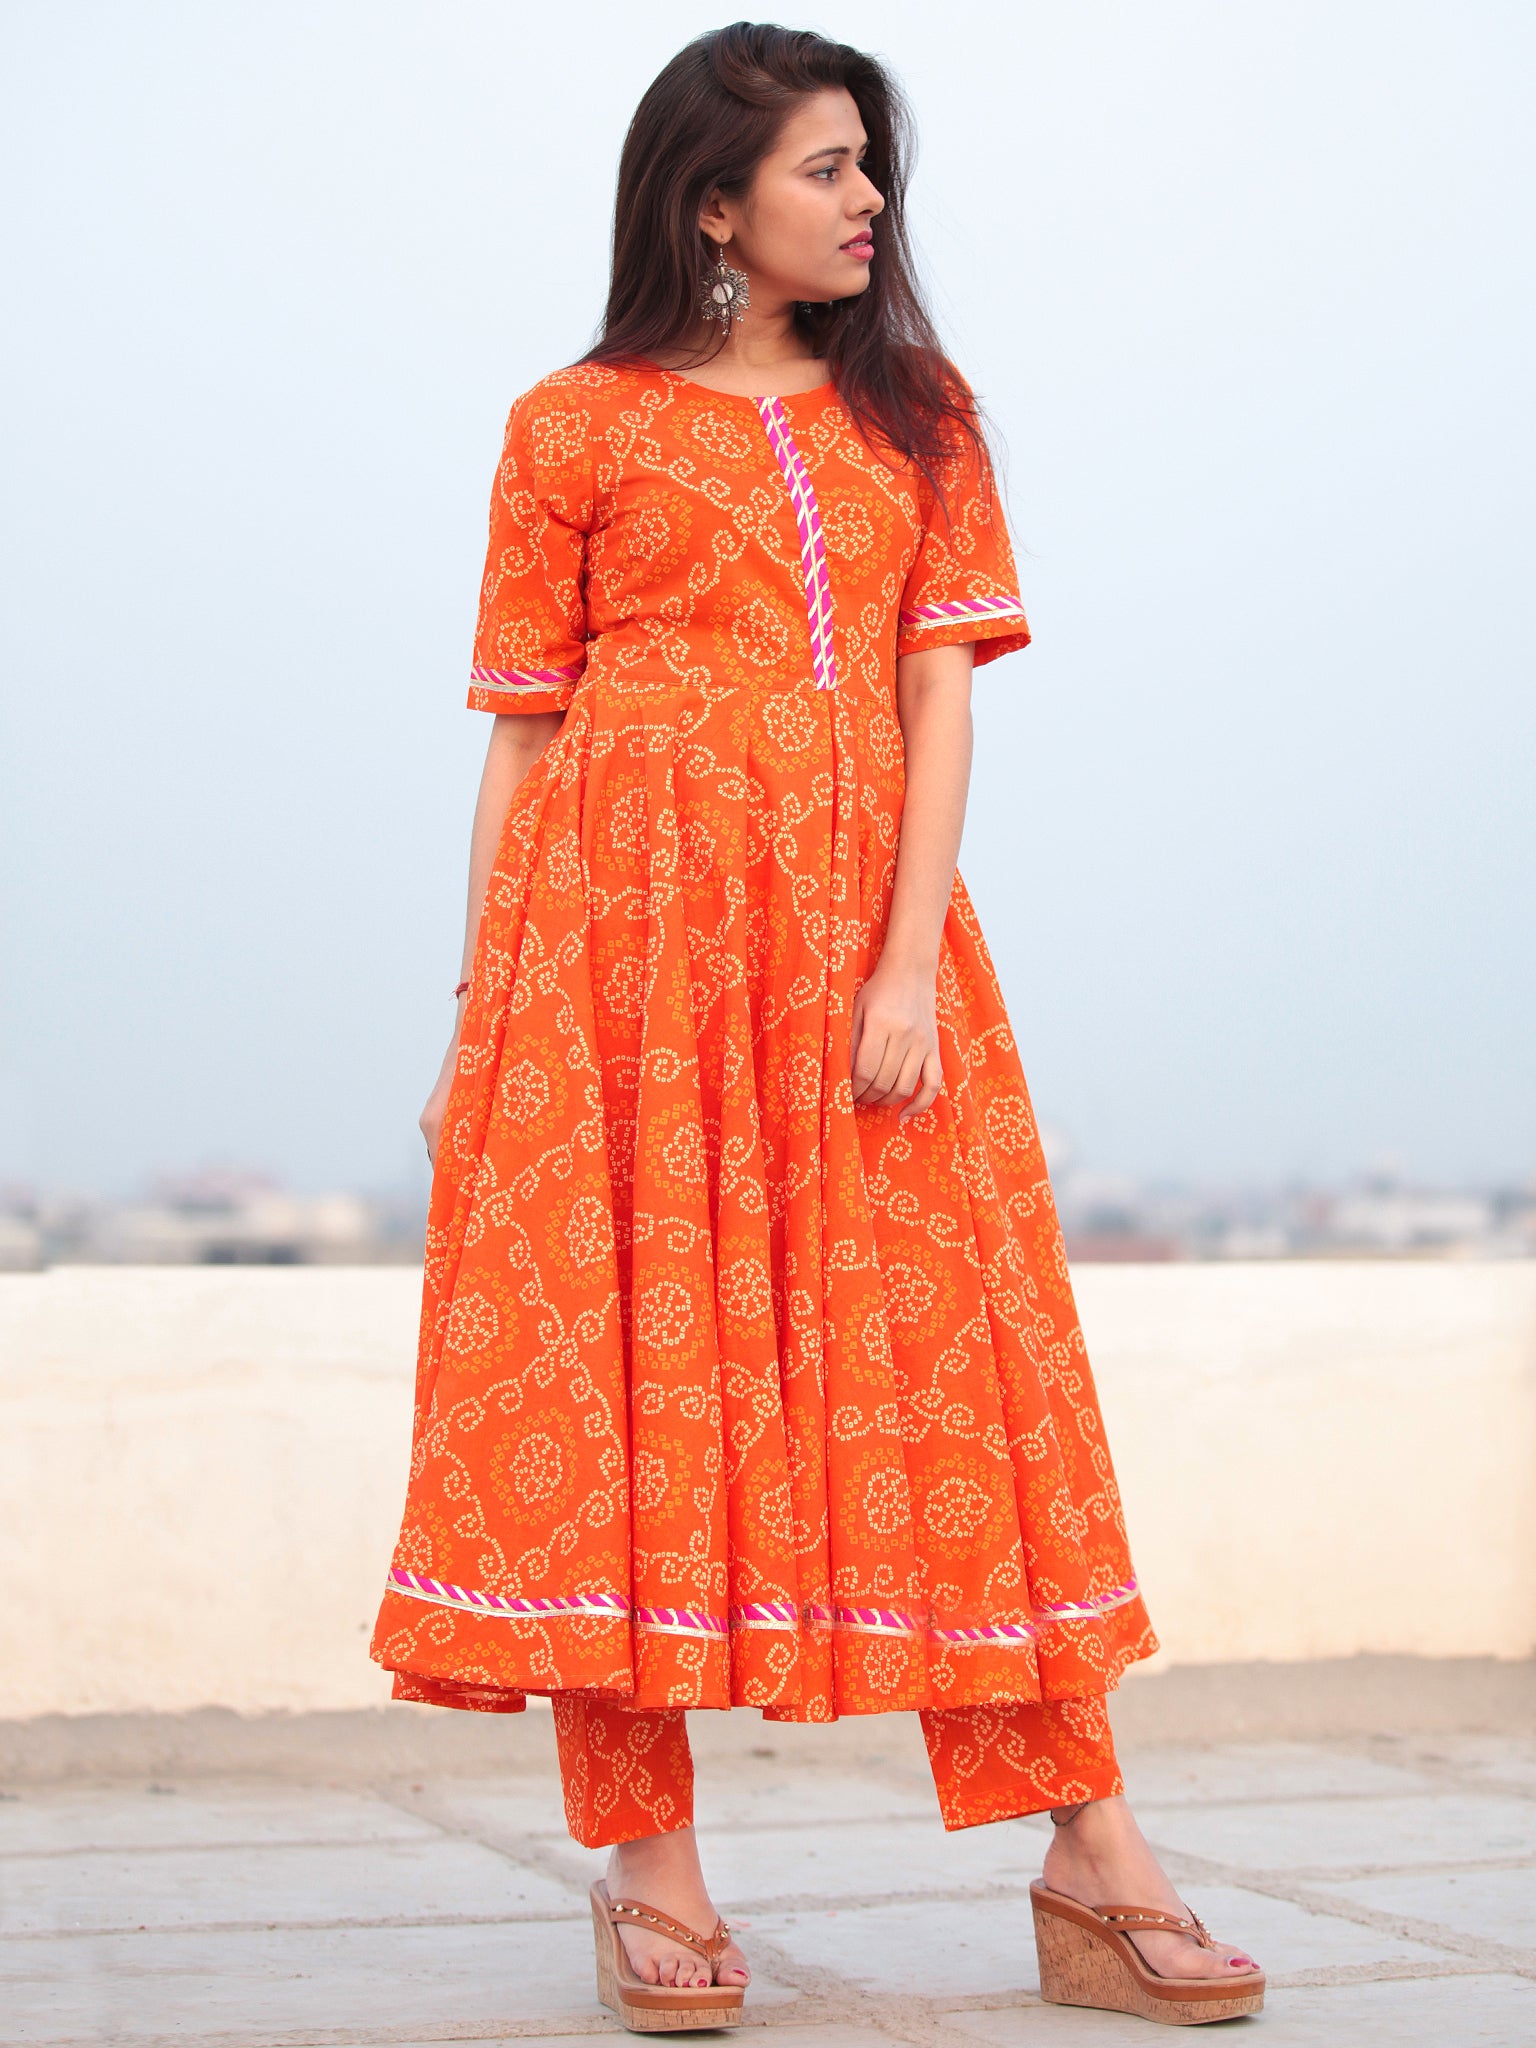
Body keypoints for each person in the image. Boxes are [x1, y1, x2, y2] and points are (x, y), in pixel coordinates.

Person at [369, 22, 1263, 2031]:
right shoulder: (569, 424)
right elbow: (527, 733)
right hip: (611, 966)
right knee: (620, 1391)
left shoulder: (915, 416)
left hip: (867, 949)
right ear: (714, 205)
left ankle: (1093, 1847)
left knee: (969, 1379)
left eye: (872, 166)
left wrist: (903, 964)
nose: (869, 201)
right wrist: (478, 1018)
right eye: (827, 167)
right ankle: (652, 1867)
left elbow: (938, 691)